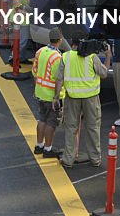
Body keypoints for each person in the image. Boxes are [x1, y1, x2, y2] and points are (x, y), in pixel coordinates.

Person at [56, 38, 111, 169]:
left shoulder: (66, 57)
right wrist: (108, 55)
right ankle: (95, 159)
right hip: (91, 99)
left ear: (72, 43)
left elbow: (59, 79)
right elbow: (104, 73)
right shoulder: (92, 57)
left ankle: (68, 159)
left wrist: (56, 97)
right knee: (92, 128)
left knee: (71, 128)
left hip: (72, 97)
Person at [31, 27, 65, 159]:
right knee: (52, 123)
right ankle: (48, 148)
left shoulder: (40, 51)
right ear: (60, 40)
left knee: (41, 119)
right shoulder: (57, 57)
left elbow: (34, 72)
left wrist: (37, 89)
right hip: (51, 96)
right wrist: (57, 97)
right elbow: (59, 78)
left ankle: (39, 146)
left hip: (40, 92)